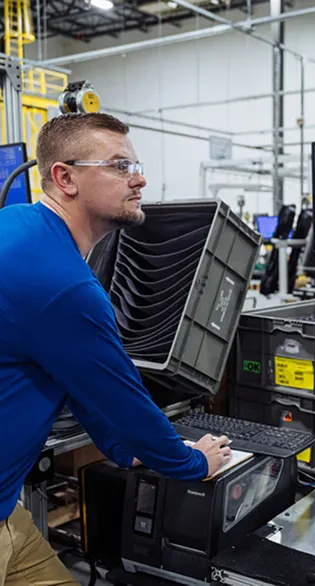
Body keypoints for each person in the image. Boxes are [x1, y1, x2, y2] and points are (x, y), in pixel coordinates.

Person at [0, 113, 232, 586]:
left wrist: (124, 450)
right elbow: (124, 401)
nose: (140, 178)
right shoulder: (65, 287)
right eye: (120, 166)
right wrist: (189, 462)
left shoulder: (16, 223)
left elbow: (79, 380)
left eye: (136, 165)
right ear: (65, 178)